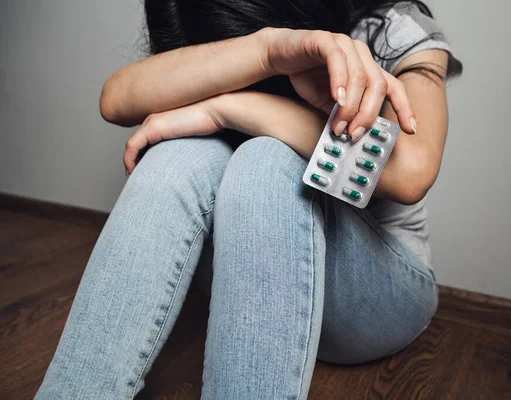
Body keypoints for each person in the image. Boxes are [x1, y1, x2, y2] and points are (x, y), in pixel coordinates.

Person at [35, 0, 462, 398]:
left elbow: (411, 174)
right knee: (177, 153)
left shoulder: (395, 27)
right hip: (269, 295)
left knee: (266, 159)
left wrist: (225, 109)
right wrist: (268, 50)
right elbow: (115, 100)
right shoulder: (242, 36)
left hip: (379, 292)